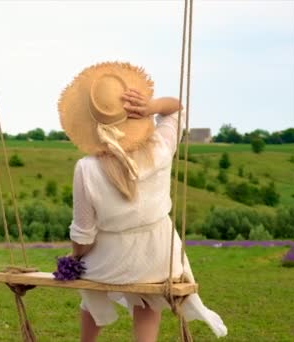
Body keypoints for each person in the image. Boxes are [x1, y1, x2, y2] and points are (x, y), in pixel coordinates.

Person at [58, 61, 227, 342]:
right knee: (148, 299)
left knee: (90, 284)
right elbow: (176, 109)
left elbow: (83, 234)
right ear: (135, 116)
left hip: (110, 259)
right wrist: (152, 106)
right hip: (161, 257)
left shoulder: (86, 168)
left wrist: (74, 258)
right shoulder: (160, 146)